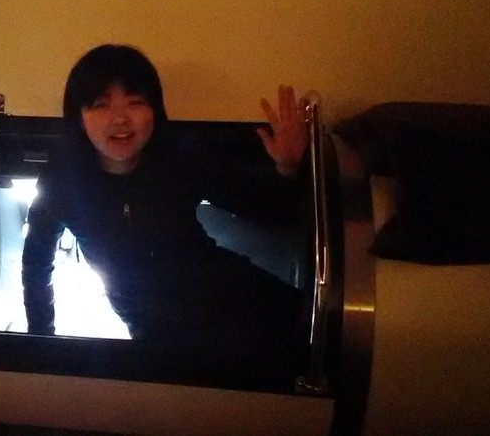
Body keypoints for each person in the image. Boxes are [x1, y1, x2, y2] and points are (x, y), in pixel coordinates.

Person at [22, 44, 308, 359]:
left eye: (135, 102)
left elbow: (266, 209)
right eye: (101, 105)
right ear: (79, 116)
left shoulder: (178, 158)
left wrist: (287, 166)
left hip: (232, 292)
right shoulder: (62, 179)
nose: (120, 119)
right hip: (156, 332)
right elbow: (36, 264)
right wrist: (41, 345)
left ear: (155, 111)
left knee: (316, 331)